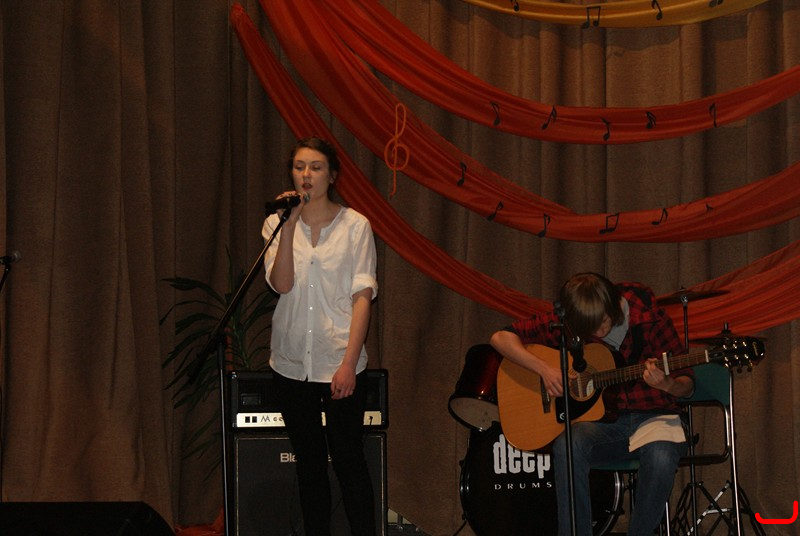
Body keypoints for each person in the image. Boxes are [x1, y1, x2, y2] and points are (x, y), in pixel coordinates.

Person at [490, 272, 694, 536]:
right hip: (605, 424)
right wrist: (544, 369)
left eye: (603, 323)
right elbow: (500, 338)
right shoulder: (571, 319)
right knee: (568, 444)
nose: (598, 332)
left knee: (662, 456)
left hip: (654, 417)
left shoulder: (651, 318)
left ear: (612, 306)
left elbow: (688, 384)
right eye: (590, 329)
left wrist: (667, 384)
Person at [262, 136, 378, 536]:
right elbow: (282, 285)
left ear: (332, 176)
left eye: (315, 167)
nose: (306, 175)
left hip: (339, 361)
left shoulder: (355, 226)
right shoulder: (276, 224)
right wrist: (289, 224)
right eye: (299, 167)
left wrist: (348, 364)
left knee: (349, 461)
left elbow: (362, 299)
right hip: (291, 363)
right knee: (309, 465)